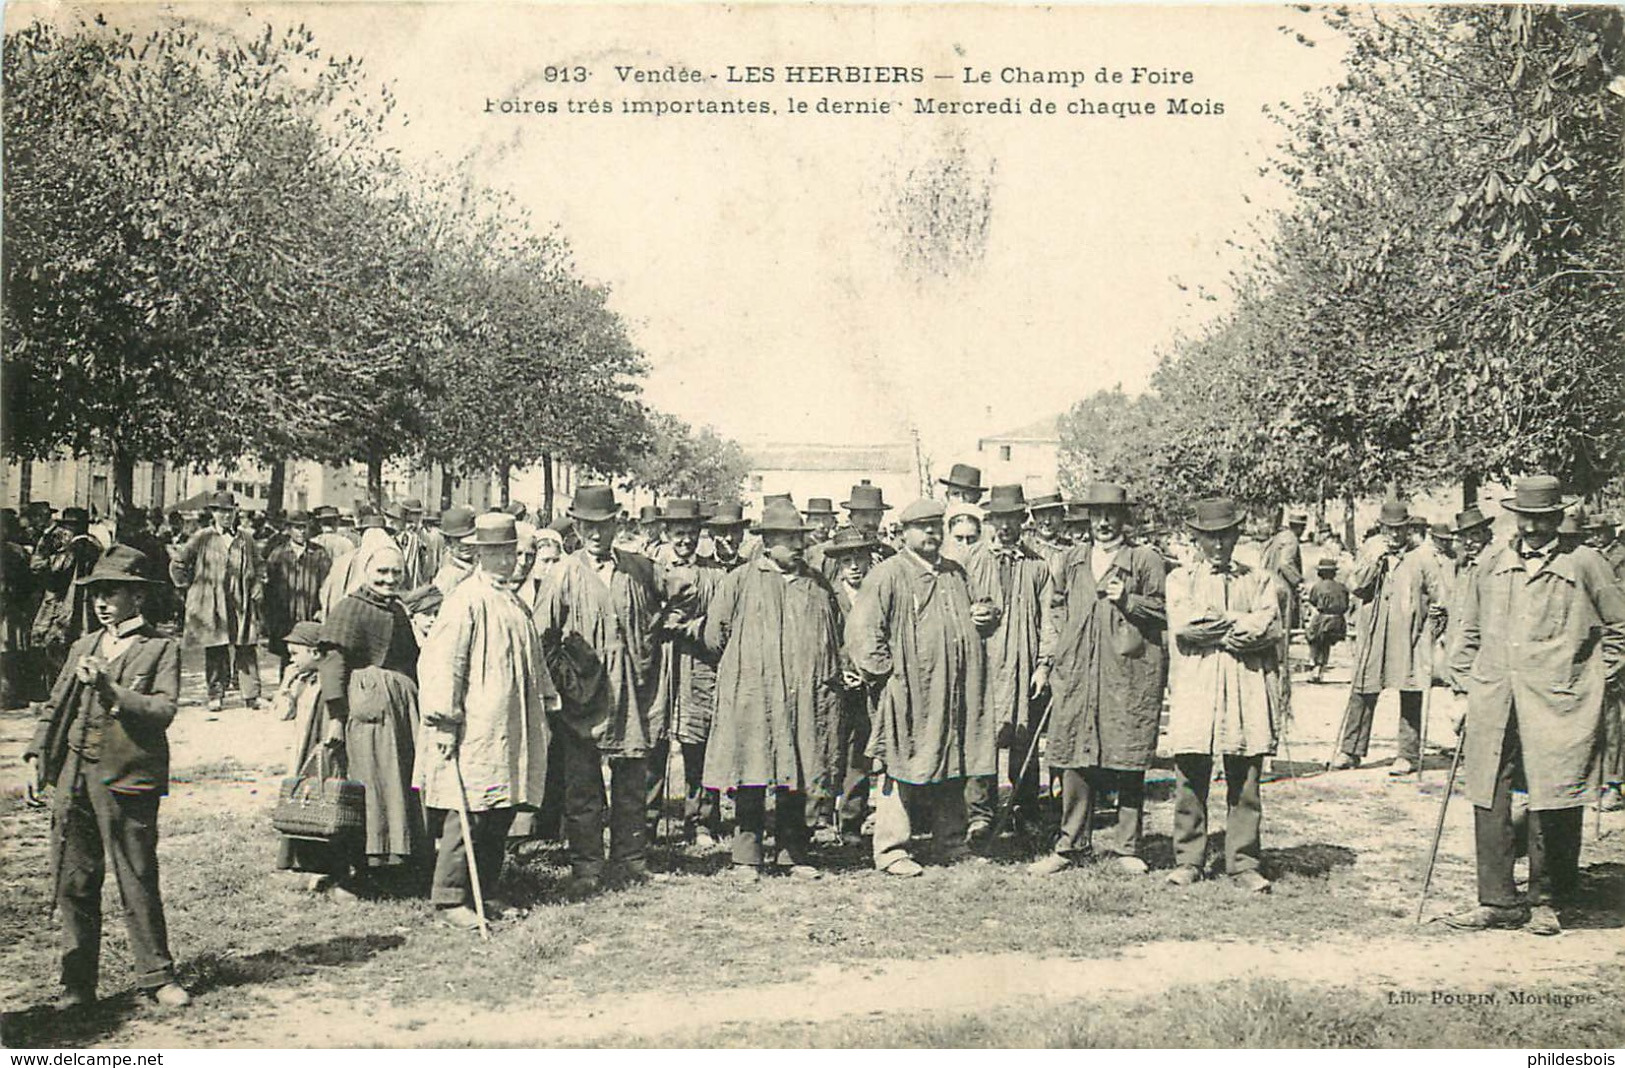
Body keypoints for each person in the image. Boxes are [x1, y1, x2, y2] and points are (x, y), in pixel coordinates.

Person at [1443, 476, 1625, 936]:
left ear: (1558, 518)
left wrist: (1590, 681)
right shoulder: (1492, 562)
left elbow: (1620, 630)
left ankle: (1548, 899)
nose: (1531, 528)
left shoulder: (1586, 563)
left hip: (1560, 700)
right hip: (1494, 696)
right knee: (1489, 791)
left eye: (1542, 519)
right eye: (1525, 518)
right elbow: (1466, 631)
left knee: (1556, 790)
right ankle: (1497, 900)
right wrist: (1463, 688)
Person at [21, 546, 190, 1009]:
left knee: (136, 877)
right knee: (74, 881)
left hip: (126, 779)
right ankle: (78, 983)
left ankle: (157, 976)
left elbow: (162, 711)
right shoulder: (84, 645)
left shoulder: (160, 648)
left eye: (112, 592)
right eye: (97, 592)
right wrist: (39, 754)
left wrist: (110, 690)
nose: (102, 601)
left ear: (137, 598)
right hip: (75, 778)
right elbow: (56, 706)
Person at [417, 513, 557, 929]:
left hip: (509, 724)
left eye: (511, 553)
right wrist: (444, 720)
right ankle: (450, 898)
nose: (507, 561)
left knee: (500, 808)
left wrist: (546, 696)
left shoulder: (512, 600)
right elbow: (444, 663)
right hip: (475, 726)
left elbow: (532, 658)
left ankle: (487, 891)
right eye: (496, 553)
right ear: (480, 554)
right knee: (469, 811)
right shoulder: (465, 600)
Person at [846, 498, 995, 876]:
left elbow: (982, 614)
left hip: (954, 689)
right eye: (922, 527)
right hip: (907, 689)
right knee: (899, 762)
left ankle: (951, 841)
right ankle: (892, 849)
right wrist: (887, 677)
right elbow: (863, 633)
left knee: (952, 759)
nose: (931, 533)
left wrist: (986, 616)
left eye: (935, 526)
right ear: (903, 532)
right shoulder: (888, 574)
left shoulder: (955, 573)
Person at [702, 499, 844, 880]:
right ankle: (747, 857)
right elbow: (715, 636)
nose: (797, 546)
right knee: (751, 770)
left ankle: (793, 854)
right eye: (786, 538)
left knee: (798, 770)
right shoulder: (739, 582)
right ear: (767, 541)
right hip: (754, 694)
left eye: (799, 538)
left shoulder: (816, 584)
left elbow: (836, 630)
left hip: (803, 696)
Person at [534, 484, 664, 896]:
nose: (596, 534)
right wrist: (564, 681)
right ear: (576, 525)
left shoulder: (639, 568)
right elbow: (542, 635)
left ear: (616, 524)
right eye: (588, 526)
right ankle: (587, 864)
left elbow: (684, 595)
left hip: (629, 691)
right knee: (583, 784)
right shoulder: (563, 573)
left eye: (603, 525)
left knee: (630, 780)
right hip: (583, 695)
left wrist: (651, 641)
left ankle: (630, 859)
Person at [1032, 483, 1166, 875]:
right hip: (1078, 671)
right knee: (1075, 753)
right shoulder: (1073, 560)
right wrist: (1059, 654)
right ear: (1088, 519)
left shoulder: (1145, 559)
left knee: (1127, 754)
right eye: (1097, 515)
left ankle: (1128, 848)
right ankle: (1070, 845)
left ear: (1125, 519)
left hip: (1128, 672)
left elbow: (1164, 611)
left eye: (1112, 514)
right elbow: (1055, 607)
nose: (1104, 522)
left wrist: (1129, 600)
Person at [1164, 498, 1285, 893]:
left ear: (1236, 535)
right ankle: (1188, 859)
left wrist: (1223, 623)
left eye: (1225, 536)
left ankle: (1244, 862)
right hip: (1197, 684)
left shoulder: (1259, 578)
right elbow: (1186, 626)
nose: (1218, 545)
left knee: (1245, 773)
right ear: (1197, 539)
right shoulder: (1180, 579)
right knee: (1191, 771)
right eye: (1210, 538)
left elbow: (1269, 627)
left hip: (1245, 684)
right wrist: (1239, 622)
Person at [320, 543, 428, 896]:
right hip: (364, 711)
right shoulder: (349, 609)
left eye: (396, 572)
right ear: (366, 571)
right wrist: (336, 717)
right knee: (365, 788)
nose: (389, 579)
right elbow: (333, 665)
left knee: (395, 785)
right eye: (381, 572)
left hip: (398, 713)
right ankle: (354, 870)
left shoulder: (397, 609)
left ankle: (394, 862)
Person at [959, 485, 1055, 845]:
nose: (1004, 527)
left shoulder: (1038, 566)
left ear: (1021, 521)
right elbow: (955, 610)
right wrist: (972, 616)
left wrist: (1044, 665)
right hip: (982, 667)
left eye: (1011, 519)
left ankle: (1024, 811)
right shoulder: (970, 561)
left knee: (1023, 741)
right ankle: (979, 816)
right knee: (981, 739)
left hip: (1023, 666)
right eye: (998, 519)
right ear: (990, 521)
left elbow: (1051, 620)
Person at [1333, 498, 1442, 775]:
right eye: (1388, 529)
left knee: (1411, 690)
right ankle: (1351, 750)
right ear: (1381, 528)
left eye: (1399, 529)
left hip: (1409, 637)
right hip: (1374, 633)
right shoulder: (1372, 552)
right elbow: (1357, 587)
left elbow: (1441, 600)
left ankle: (1407, 754)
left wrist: (1428, 632)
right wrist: (1372, 560)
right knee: (1363, 688)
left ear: (1408, 529)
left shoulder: (1423, 557)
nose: (1394, 535)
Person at [646, 499, 726, 849]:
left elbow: (721, 623)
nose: (685, 541)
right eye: (679, 534)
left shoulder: (714, 574)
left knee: (699, 747)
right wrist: (661, 624)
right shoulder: (649, 571)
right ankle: (646, 822)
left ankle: (702, 821)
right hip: (659, 669)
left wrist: (691, 627)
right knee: (654, 746)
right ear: (665, 533)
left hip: (699, 668)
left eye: (692, 534)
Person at [273, 621, 350, 892]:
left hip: (324, 753)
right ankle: (309, 865)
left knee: (325, 804)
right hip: (303, 750)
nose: (292, 659)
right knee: (305, 804)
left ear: (316, 653)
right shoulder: (302, 680)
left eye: (296, 654)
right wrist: (286, 684)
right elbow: (283, 713)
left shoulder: (331, 683)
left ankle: (332, 868)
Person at [170, 492, 262, 712]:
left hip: (241, 599)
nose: (225, 516)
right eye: (220, 511)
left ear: (235, 512)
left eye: (229, 511)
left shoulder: (246, 538)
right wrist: (188, 589)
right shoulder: (203, 537)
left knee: (245, 646)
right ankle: (215, 694)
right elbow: (179, 562)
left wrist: (258, 584)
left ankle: (251, 695)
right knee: (216, 646)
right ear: (213, 513)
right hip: (213, 600)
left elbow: (260, 565)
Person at [822, 526, 882, 844]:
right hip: (835, 684)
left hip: (868, 686)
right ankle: (818, 818)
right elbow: (822, 641)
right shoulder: (827, 596)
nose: (854, 566)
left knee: (860, 753)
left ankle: (851, 820)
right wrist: (840, 670)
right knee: (829, 749)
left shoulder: (878, 594)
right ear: (839, 565)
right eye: (847, 560)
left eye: (860, 557)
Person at [30, 506, 104, 699]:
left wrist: (47, 559)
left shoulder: (73, 548)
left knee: (58, 648)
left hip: (67, 604)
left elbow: (52, 571)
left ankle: (61, 693)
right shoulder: (96, 545)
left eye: (68, 527)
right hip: (89, 603)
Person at [264, 512, 332, 678]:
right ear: (288, 530)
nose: (301, 532)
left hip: (310, 614)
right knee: (289, 656)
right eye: (297, 528)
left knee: (313, 656)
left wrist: (322, 608)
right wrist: (271, 616)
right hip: (286, 616)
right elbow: (270, 588)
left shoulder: (319, 554)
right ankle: (286, 693)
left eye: (304, 528)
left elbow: (327, 583)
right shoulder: (278, 555)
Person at [1303, 557, 1350, 683]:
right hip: (1338, 621)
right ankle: (1321, 668)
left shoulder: (1317, 587)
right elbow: (1346, 605)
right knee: (1326, 644)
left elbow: (1313, 601)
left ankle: (1314, 666)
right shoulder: (1342, 587)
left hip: (1322, 619)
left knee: (1313, 639)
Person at [1259, 511, 1306, 629]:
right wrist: (1298, 582)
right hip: (1283, 587)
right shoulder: (1291, 539)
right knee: (1286, 626)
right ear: (1301, 527)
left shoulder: (1278, 537)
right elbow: (1285, 563)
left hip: (1271, 584)